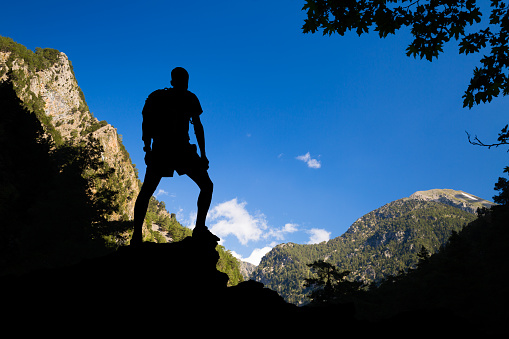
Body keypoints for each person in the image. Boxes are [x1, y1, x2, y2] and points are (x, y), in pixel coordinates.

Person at [131, 67, 218, 245]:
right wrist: (203, 155)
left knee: (147, 192)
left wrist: (147, 149)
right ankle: (199, 228)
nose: (184, 84)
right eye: (183, 81)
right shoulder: (188, 98)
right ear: (175, 81)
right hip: (176, 149)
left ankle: (137, 236)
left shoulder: (159, 97)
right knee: (206, 186)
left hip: (167, 149)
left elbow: (146, 123)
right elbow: (198, 127)